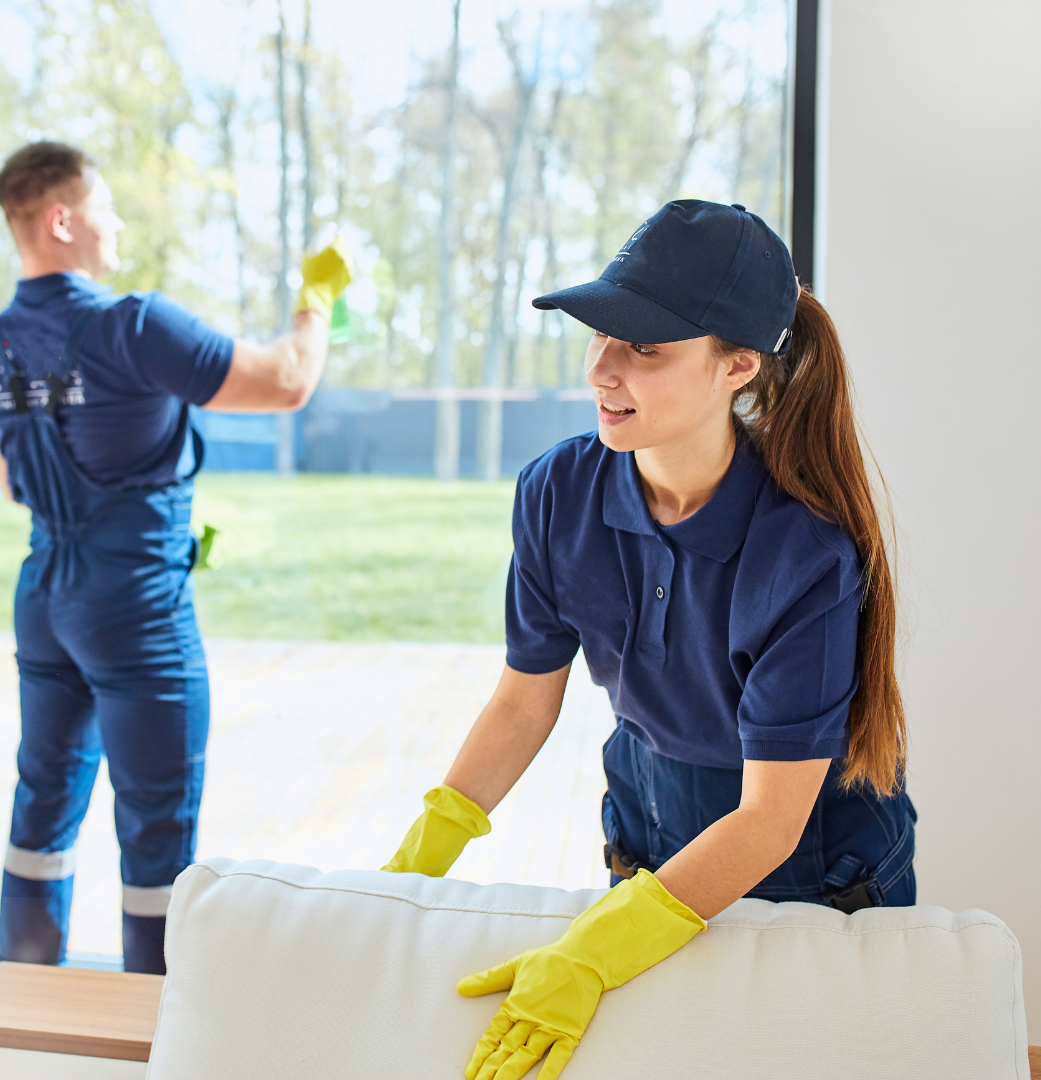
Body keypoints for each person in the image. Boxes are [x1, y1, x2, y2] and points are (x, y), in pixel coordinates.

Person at [381, 200, 915, 1080]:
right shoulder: (559, 492)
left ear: (737, 366)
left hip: (813, 869)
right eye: (601, 337)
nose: (603, 370)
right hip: (650, 837)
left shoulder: (804, 555)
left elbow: (770, 821)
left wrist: (595, 951)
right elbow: (523, 700)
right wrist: (426, 850)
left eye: (646, 348)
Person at [0, 141, 351, 974]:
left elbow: (15, 486)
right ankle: (154, 1028)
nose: (119, 221)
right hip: (135, 610)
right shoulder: (132, 327)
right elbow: (285, 381)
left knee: (41, 808)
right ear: (62, 219)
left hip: (46, 604)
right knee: (155, 828)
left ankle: (20, 1014)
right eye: (106, 205)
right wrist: (317, 300)